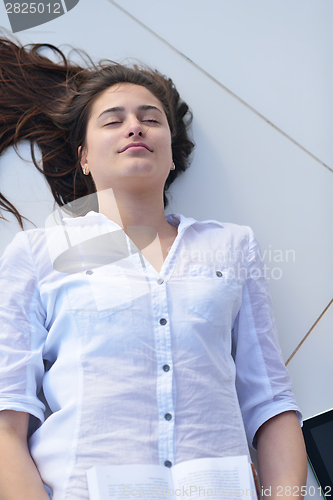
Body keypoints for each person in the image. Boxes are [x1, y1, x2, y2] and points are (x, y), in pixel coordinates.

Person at [0, 36, 307, 500]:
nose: (134, 128)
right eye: (113, 120)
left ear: (171, 152)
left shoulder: (232, 245)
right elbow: (7, 416)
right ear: (83, 156)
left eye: (151, 119)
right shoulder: (37, 253)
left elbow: (270, 404)